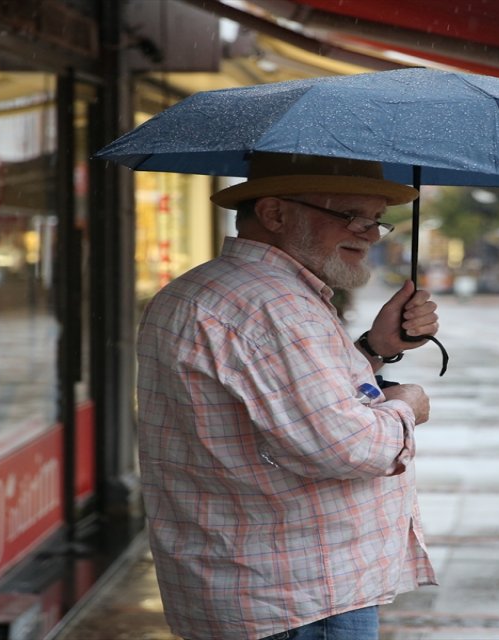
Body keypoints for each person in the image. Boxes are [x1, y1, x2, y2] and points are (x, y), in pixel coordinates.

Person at [136, 153, 440, 640]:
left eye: (376, 220)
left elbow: (285, 403)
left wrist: (375, 348)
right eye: (351, 216)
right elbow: (346, 447)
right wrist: (407, 407)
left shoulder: (200, 288)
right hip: (300, 600)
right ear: (275, 214)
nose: (368, 234)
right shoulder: (276, 306)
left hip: (253, 585)